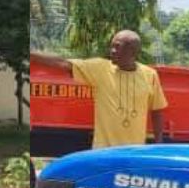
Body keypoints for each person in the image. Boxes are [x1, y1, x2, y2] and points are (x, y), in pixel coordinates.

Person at [32, 30, 168, 148]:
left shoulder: (150, 75)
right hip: (103, 151)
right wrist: (30, 54)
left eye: (117, 47)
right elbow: (62, 63)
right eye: (112, 46)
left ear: (132, 51)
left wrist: (158, 144)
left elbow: (156, 110)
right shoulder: (100, 69)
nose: (112, 51)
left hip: (133, 152)